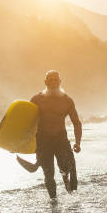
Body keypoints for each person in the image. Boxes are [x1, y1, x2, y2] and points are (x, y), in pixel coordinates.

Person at [22, 70, 81, 199]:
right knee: (48, 174)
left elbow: (76, 123)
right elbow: (27, 123)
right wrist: (17, 143)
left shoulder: (67, 101)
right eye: (50, 80)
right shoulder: (37, 99)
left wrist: (77, 143)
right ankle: (54, 202)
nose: (53, 82)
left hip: (61, 139)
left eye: (56, 80)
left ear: (60, 82)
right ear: (45, 82)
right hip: (43, 141)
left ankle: (65, 176)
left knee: (67, 167)